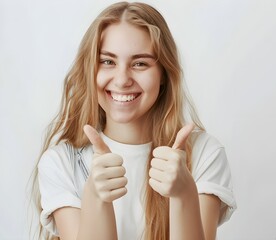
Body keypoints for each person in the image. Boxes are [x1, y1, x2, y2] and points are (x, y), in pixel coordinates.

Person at [30, 2, 236, 239]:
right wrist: (96, 200)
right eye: (108, 61)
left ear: (163, 75)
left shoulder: (204, 154)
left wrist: (184, 195)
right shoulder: (61, 163)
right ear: (90, 69)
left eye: (140, 63)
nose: (122, 79)